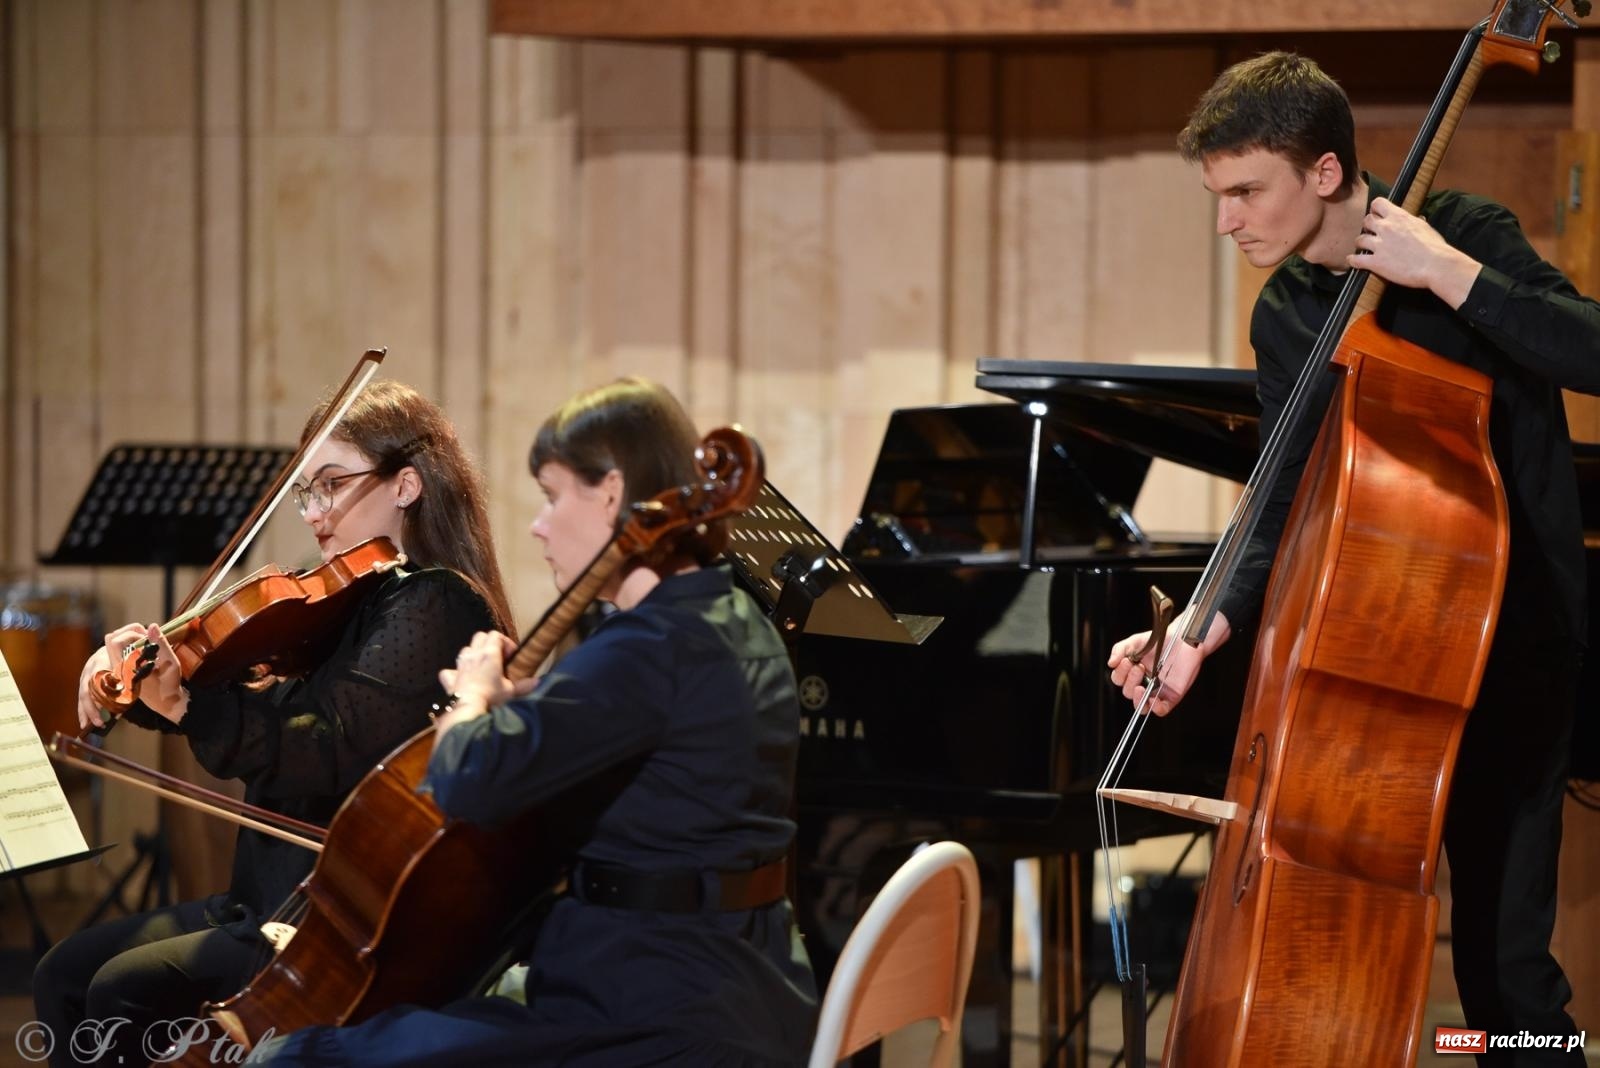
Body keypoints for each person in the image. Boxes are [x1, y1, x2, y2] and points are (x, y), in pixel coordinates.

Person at [1106, 51, 1600, 1065]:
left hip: (1514, 655)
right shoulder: (1287, 311)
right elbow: (1284, 494)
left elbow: (1587, 349)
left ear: (1324, 172)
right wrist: (1204, 627)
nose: (1226, 220)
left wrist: (1449, 278)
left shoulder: (1464, 235)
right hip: (1379, 668)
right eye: (1217, 195)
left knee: (1506, 973)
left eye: (1245, 191)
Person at [252, 376, 818, 1067]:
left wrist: (473, 696)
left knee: (299, 1059)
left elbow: (464, 781)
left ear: (611, 493)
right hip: (747, 981)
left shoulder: (644, 649)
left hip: (649, 1011)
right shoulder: (735, 621)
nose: (538, 524)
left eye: (553, 497)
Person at [33, 380, 514, 1068]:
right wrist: (128, 678)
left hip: (327, 921)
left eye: (332, 485)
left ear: (406, 485)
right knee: (61, 975)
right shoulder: (348, 604)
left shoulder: (437, 603)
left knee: (121, 990)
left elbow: (327, 749)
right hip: (260, 896)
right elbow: (227, 692)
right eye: (306, 493)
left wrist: (188, 706)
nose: (316, 514)